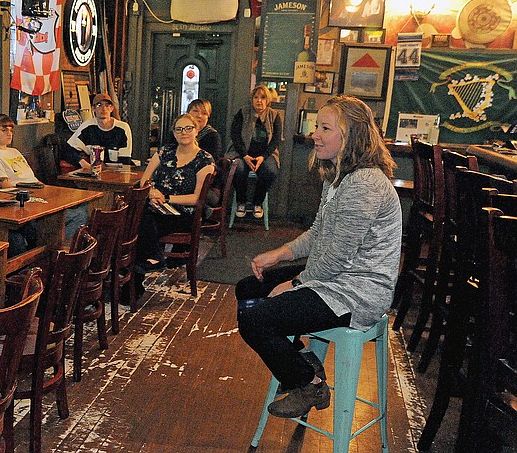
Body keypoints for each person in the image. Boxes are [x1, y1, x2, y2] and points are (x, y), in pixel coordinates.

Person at [236, 95, 401, 419]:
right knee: (248, 289)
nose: (316, 134)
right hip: (334, 278)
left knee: (256, 319)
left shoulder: (364, 183)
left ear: (351, 135)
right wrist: (278, 256)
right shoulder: (338, 176)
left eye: (325, 127)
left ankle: (308, 383)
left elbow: (337, 257)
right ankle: (304, 361)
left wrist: (295, 283)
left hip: (359, 291)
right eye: (317, 126)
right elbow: (318, 234)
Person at [0, 113, 87, 242]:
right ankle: (56, 249)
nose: (9, 133)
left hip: (38, 193)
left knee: (83, 208)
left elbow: (32, 178)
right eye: (4, 130)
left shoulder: (14, 151)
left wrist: (47, 190)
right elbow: (4, 186)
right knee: (79, 215)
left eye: (11, 130)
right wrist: (34, 193)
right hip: (24, 201)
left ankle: (57, 247)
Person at [135, 113, 215, 279]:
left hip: (184, 213)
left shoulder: (204, 160)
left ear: (196, 130)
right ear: (173, 132)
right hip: (156, 206)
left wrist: (166, 197)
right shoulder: (164, 151)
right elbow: (145, 180)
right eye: (179, 129)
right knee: (137, 217)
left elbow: (196, 198)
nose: (183, 132)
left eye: (188, 128)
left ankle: (140, 267)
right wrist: (152, 193)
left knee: (140, 221)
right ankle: (148, 263)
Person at [227, 85, 282, 220]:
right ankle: (241, 201)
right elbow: (235, 136)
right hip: (242, 153)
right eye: (256, 97)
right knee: (237, 169)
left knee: (270, 171)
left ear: (267, 100)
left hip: (265, 155)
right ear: (251, 99)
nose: (259, 101)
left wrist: (263, 157)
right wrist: (245, 156)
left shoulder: (274, 115)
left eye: (263, 98)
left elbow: (275, 140)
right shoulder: (242, 112)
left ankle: (258, 202)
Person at [65, 93, 133, 169]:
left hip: (117, 172)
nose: (104, 108)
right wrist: (84, 164)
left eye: (107, 105)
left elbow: (125, 160)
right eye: (99, 105)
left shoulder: (123, 128)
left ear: (112, 108)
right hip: (94, 171)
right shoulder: (88, 126)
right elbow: (68, 150)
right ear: (93, 108)